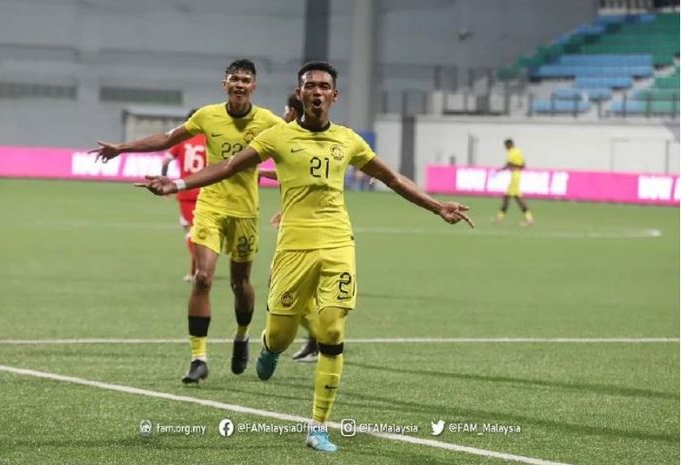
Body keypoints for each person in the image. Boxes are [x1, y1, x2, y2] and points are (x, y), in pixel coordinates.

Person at [135, 61, 474, 452]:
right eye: (309, 85)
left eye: (323, 86)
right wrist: (176, 183)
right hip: (294, 246)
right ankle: (268, 346)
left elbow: (392, 178)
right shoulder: (277, 137)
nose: (316, 91)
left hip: (337, 242)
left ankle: (318, 426)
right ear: (300, 94)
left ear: (334, 95)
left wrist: (437, 206)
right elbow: (229, 166)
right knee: (280, 334)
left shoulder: (348, 140)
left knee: (331, 329)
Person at [91, 59, 284, 383]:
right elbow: (168, 139)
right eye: (234, 79)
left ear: (254, 86)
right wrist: (121, 148)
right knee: (203, 278)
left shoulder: (268, 121)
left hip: (245, 212)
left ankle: (241, 335)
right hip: (209, 205)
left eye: (245, 80)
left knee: (240, 284)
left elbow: (292, 154)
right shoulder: (207, 116)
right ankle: (198, 357)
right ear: (225, 84)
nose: (239, 84)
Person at [263, 93, 319, 363]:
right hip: (296, 222)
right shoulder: (290, 136)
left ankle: (319, 336)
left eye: (286, 110)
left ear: (294, 112)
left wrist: (257, 172)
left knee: (281, 284)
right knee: (282, 284)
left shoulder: (299, 138)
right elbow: (294, 177)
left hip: (313, 228)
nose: (283, 114)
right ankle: (314, 338)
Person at [161, 109, 206, 283]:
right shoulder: (209, 140)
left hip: (186, 192)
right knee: (201, 233)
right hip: (206, 192)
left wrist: (165, 181)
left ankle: (199, 270)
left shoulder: (182, 140)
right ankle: (196, 270)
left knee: (190, 233)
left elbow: (165, 161)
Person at [493, 139, 534, 226]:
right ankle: (499, 217)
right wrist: (516, 167)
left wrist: (499, 171)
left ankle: (529, 219)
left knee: (517, 198)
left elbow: (508, 164)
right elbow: (523, 165)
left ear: (509, 145)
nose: (505, 148)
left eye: (506, 146)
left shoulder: (511, 152)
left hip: (515, 176)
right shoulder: (518, 151)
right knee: (507, 197)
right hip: (517, 175)